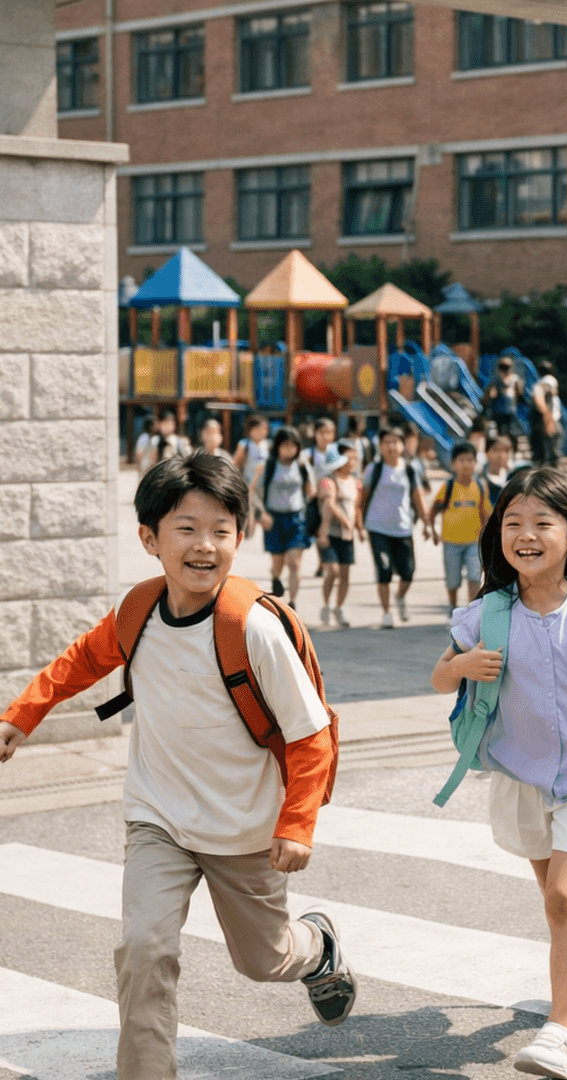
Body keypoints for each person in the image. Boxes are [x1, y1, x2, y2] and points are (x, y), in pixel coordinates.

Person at [0, 452, 357, 1080]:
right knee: (144, 950)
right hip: (158, 817)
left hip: (244, 829)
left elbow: (310, 737)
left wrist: (297, 825)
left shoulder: (253, 628)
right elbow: (81, 660)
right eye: (186, 528)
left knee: (264, 960)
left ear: (240, 539)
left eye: (221, 530)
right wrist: (21, 716)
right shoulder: (139, 611)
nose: (204, 545)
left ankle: (317, 946)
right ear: (149, 539)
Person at [430, 467, 567, 1080]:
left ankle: (561, 1032)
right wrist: (465, 665)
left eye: (542, 524)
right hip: (521, 773)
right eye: (513, 524)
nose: (525, 535)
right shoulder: (487, 614)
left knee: (561, 895)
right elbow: (439, 676)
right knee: (559, 900)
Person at [359, 425, 432, 629]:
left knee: (408, 573)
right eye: (386, 442)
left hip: (403, 528)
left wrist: (427, 523)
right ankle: (386, 613)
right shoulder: (374, 469)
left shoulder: (409, 469)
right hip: (377, 528)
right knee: (383, 571)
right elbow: (363, 498)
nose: (391, 446)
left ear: (402, 445)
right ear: (380, 446)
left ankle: (400, 596)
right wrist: (359, 523)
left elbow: (418, 497)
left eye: (395, 442)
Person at [252, 426, 314, 605]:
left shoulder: (302, 465)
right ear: (278, 446)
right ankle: (275, 577)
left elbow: (310, 490)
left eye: (293, 445)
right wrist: (260, 515)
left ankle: (292, 602)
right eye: (285, 445)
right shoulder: (268, 466)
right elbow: (254, 492)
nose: (290, 449)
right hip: (274, 518)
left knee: (293, 563)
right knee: (278, 561)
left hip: (296, 519)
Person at [433, 441, 487, 609]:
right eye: (462, 460)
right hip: (451, 542)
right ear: (453, 464)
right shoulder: (447, 487)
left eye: (470, 460)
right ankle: (453, 607)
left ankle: (472, 610)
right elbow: (433, 511)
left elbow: (484, 513)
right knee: (453, 579)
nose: (466, 464)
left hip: (473, 541)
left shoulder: (479, 486)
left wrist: (488, 534)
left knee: (474, 577)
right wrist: (433, 531)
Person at [317, 440, 359, 629]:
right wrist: (343, 521)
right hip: (330, 533)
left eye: (356, 458)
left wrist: (359, 526)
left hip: (347, 535)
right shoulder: (328, 480)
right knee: (332, 572)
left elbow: (356, 507)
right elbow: (330, 504)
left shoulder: (355, 482)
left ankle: (338, 607)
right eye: (350, 458)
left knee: (345, 575)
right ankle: (326, 604)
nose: (354, 462)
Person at [303, 418, 341, 578]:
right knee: (319, 531)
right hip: (315, 498)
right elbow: (304, 475)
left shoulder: (339, 453)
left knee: (334, 530)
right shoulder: (308, 454)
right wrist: (309, 489)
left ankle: (332, 560)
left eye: (330, 432)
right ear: (316, 433)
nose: (326, 436)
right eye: (323, 432)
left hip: (335, 497)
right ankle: (323, 561)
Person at [234, 415, 271, 534]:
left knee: (258, 511)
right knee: (255, 510)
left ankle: (251, 528)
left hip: (264, 484)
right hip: (248, 484)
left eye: (264, 429)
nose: (262, 432)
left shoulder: (268, 445)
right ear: (250, 430)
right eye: (258, 429)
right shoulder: (244, 444)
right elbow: (236, 464)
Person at [531, 360, 564, 467]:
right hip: (547, 417)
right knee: (553, 442)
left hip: (545, 417)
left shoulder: (540, 382)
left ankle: (546, 467)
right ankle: (552, 468)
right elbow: (539, 398)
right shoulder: (549, 381)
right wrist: (547, 416)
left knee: (546, 445)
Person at [485, 355, 524, 440]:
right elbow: (491, 394)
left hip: (508, 409)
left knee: (510, 431)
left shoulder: (513, 378)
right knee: (499, 431)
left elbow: (519, 392)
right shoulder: (496, 379)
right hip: (499, 409)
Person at [483, 432, 513, 506]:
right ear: (486, 453)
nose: (501, 455)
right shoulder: (480, 480)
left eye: (505, 451)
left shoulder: (514, 477)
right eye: (496, 450)